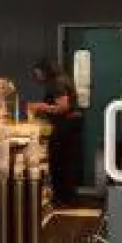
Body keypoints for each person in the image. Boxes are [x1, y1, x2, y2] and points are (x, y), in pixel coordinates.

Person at [28, 59, 84, 206]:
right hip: (71, 125)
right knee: (67, 162)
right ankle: (67, 197)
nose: (37, 77)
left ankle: (62, 198)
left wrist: (40, 107)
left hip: (65, 126)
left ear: (45, 71)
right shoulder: (63, 79)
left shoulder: (56, 83)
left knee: (58, 162)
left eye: (38, 73)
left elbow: (63, 107)